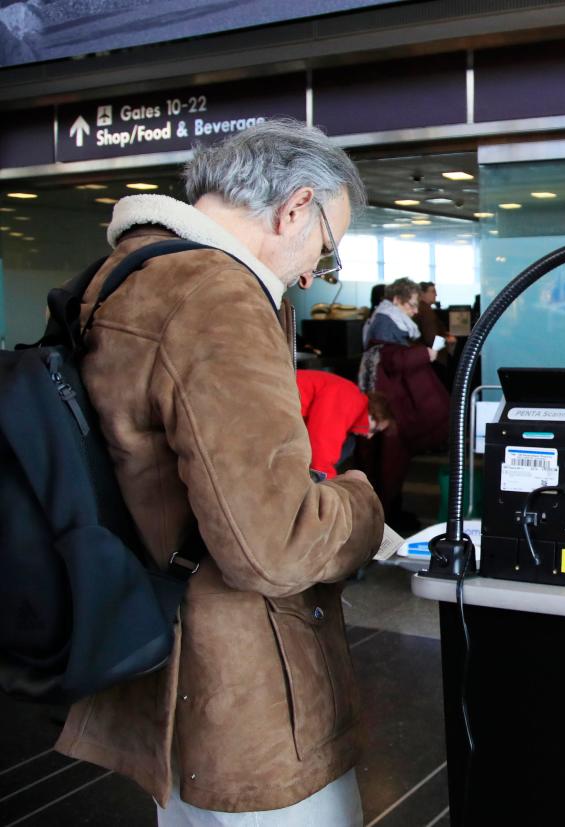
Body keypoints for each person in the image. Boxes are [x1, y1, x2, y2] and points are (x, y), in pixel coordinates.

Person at [53, 119, 383, 825]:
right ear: (296, 207)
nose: (308, 274)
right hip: (250, 698)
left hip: (166, 678)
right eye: (325, 250)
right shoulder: (217, 293)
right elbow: (274, 543)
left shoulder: (121, 277)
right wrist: (361, 506)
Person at [359, 278, 449, 530]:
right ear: (397, 300)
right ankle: (387, 516)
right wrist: (425, 354)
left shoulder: (381, 321)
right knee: (388, 462)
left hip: (385, 403)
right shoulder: (386, 325)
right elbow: (393, 359)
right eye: (411, 304)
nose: (415, 310)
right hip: (388, 407)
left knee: (385, 462)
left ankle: (387, 512)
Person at [296, 369, 393, 480]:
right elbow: (321, 446)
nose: (369, 436)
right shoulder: (350, 400)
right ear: (374, 414)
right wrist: (329, 487)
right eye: (374, 430)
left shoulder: (352, 398)